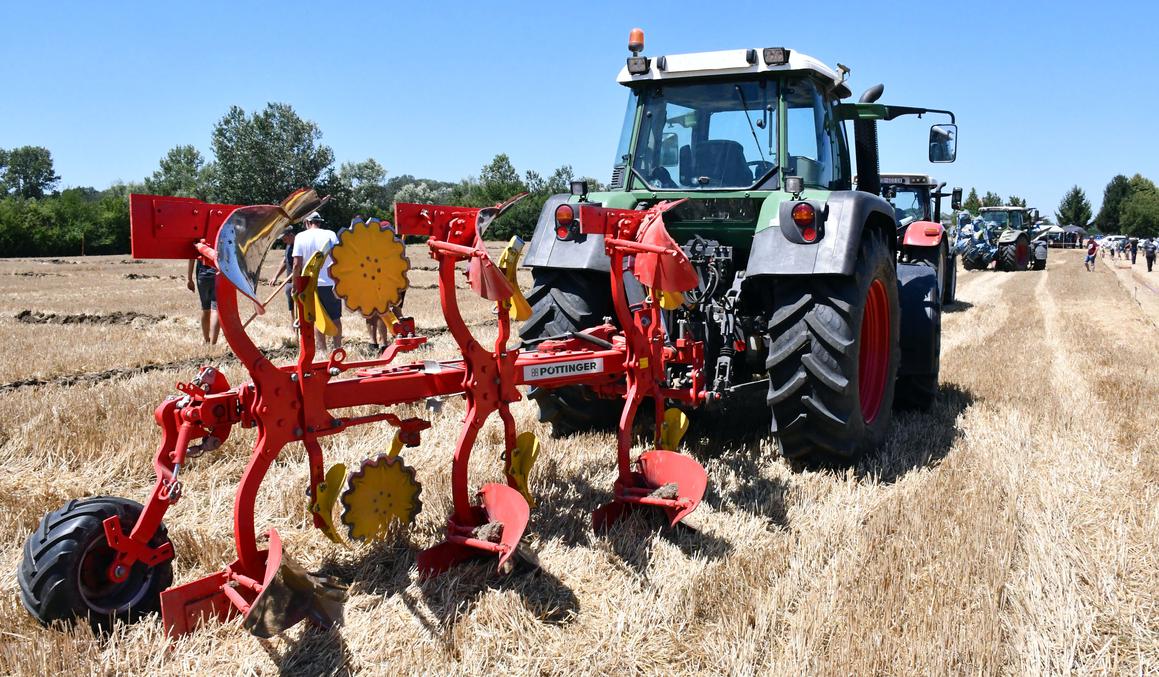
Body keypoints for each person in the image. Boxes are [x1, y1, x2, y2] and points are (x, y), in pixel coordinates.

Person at [292, 211, 342, 352]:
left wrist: (295, 285)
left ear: (307, 223)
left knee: (315, 318)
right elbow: (339, 258)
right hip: (331, 282)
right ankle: (337, 348)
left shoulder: (300, 237)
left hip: (309, 285)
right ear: (319, 222)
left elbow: (296, 264)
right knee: (336, 317)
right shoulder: (330, 234)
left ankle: (322, 351)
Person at [186, 258, 220, 344]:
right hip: (218, 274)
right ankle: (213, 343)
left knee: (205, 309)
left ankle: (206, 340)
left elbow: (191, 258)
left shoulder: (200, 243)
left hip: (202, 275)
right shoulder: (219, 243)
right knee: (216, 310)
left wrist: (189, 279)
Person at [268, 226, 297, 319]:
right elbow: (285, 261)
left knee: (301, 308)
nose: (284, 241)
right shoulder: (288, 246)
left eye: (285, 238)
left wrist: (295, 281)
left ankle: (302, 329)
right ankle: (294, 329)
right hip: (289, 282)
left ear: (291, 235)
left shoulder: (300, 245)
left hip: (299, 282)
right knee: (291, 308)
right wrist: (275, 277)